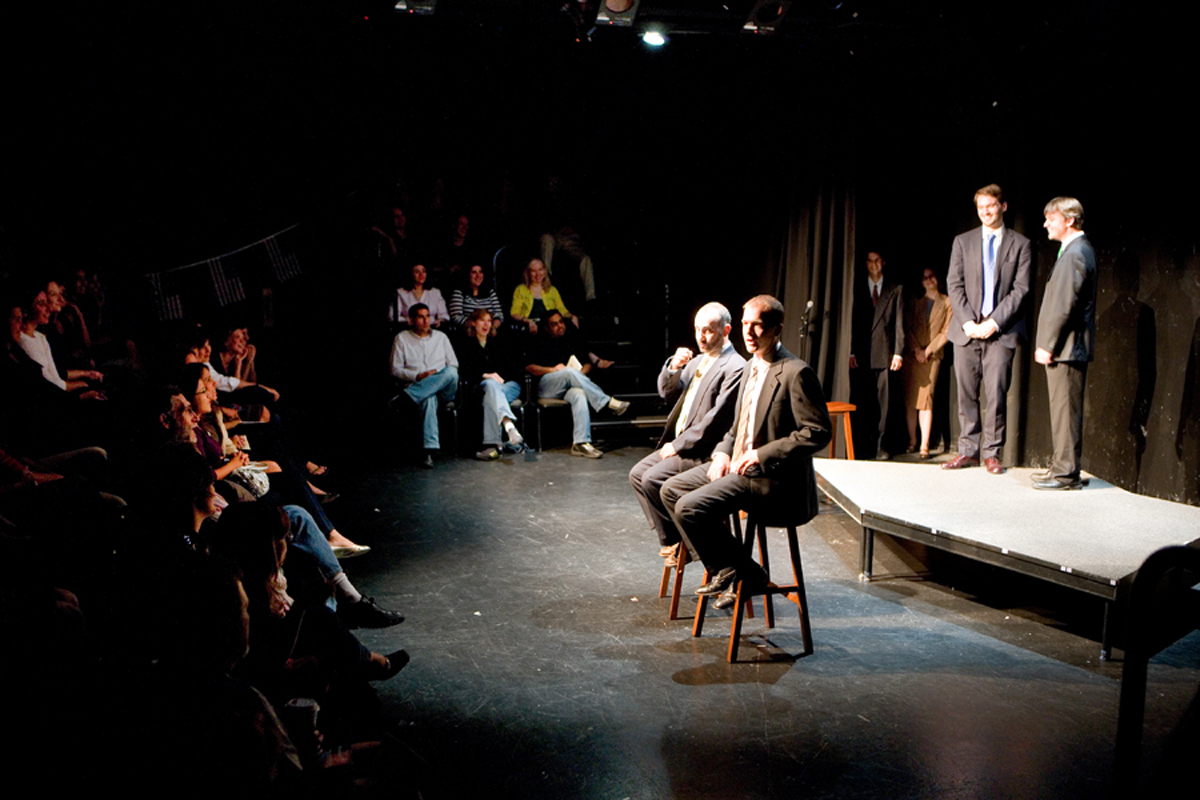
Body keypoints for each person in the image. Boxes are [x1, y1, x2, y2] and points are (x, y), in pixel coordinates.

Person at [660, 295, 832, 610]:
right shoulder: (751, 366)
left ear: (777, 329)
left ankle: (740, 573)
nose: (749, 333)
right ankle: (733, 570)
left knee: (689, 507)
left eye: (758, 326)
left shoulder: (795, 372)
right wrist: (724, 452)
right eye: (745, 325)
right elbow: (737, 426)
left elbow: (817, 432)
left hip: (773, 479)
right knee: (670, 490)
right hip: (740, 468)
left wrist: (763, 454)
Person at [628, 302, 744, 567]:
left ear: (726, 330)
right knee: (637, 474)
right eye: (697, 330)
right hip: (683, 444)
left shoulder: (734, 366)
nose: (701, 337)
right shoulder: (699, 361)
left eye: (708, 331)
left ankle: (690, 544)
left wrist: (678, 445)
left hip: (704, 450)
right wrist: (673, 367)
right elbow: (667, 393)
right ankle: (675, 540)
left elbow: (716, 420)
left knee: (652, 479)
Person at [943, 184, 1033, 474]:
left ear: (1003, 206)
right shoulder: (963, 241)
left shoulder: (1021, 244)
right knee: (966, 394)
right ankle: (968, 451)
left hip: (1001, 332)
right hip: (966, 331)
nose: (985, 212)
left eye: (990, 206)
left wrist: (994, 322)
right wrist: (968, 322)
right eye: (981, 207)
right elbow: (954, 284)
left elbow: (1021, 289)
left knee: (996, 395)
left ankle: (992, 453)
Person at [1033, 197, 1097, 490]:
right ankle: (1062, 467)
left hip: (1067, 349)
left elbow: (1064, 304)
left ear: (1069, 220)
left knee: (1066, 412)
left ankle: (1066, 474)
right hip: (1066, 348)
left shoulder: (1076, 253)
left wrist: (1048, 344)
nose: (1046, 224)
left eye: (1051, 219)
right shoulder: (1072, 251)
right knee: (1061, 412)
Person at [524, 310, 628, 458]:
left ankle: (581, 443)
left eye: (561, 322)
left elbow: (587, 363)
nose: (560, 326)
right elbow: (529, 367)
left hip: (569, 384)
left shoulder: (570, 339)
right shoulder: (539, 341)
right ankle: (606, 401)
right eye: (554, 324)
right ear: (547, 328)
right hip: (546, 386)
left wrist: (579, 376)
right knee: (568, 372)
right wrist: (553, 370)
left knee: (579, 394)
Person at [390, 303, 459, 467]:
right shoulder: (402, 338)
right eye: (421, 317)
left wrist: (435, 378)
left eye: (428, 316)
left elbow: (453, 364)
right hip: (418, 385)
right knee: (428, 398)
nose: (426, 320)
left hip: (444, 390)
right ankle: (427, 451)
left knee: (451, 372)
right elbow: (395, 369)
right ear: (411, 320)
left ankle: (406, 398)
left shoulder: (441, 337)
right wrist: (418, 376)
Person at [850, 250, 903, 458]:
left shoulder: (895, 289)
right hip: (862, 355)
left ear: (883, 262)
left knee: (884, 404)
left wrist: (898, 352)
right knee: (864, 402)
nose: (874, 264)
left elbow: (899, 323)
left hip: (884, 354)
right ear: (866, 264)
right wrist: (851, 351)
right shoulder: (856, 288)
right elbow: (852, 322)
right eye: (870, 261)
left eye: (877, 261)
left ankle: (882, 446)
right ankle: (864, 446)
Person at [458, 309, 525, 460]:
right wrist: (485, 375)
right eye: (482, 320)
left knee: (492, 394)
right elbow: (465, 370)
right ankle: (508, 426)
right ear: (473, 323)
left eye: (489, 321)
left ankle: (493, 446)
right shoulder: (466, 344)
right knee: (490, 386)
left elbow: (511, 368)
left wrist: (499, 378)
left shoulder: (499, 342)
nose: (486, 324)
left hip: (508, 386)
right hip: (481, 387)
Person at [903, 269, 953, 458]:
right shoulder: (914, 301)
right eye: (924, 277)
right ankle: (912, 441)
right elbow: (906, 326)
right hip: (912, 357)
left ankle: (924, 445)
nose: (928, 280)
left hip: (931, 358)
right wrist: (917, 349)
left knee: (926, 400)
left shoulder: (947, 302)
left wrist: (928, 351)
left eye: (931, 276)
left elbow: (947, 331)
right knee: (911, 400)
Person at [510, 258, 573, 335]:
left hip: (550, 327)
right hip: (530, 326)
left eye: (540, 270)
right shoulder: (521, 289)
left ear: (544, 271)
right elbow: (514, 313)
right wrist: (527, 321)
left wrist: (572, 317)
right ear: (528, 273)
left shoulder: (552, 290)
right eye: (534, 271)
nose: (538, 274)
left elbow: (562, 310)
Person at [389, 263, 449, 329]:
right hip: (408, 329)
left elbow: (444, 315)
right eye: (417, 272)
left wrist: (439, 321)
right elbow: (392, 316)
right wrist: (410, 321)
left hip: (431, 329)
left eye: (424, 271)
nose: (421, 275)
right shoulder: (401, 292)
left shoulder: (435, 292)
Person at [449, 264, 505, 329]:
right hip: (470, 330)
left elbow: (499, 315)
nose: (478, 276)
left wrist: (491, 327)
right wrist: (475, 326)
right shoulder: (459, 293)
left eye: (480, 272)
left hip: (491, 329)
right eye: (474, 272)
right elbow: (456, 317)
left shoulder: (490, 292)